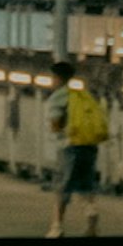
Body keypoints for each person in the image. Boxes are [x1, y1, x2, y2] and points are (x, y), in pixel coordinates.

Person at [46, 66, 110, 236]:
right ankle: (92, 221)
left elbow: (55, 123)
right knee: (86, 185)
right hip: (89, 145)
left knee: (62, 186)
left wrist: (57, 130)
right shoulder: (84, 95)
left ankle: (57, 227)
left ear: (58, 78)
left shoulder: (59, 96)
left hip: (69, 146)